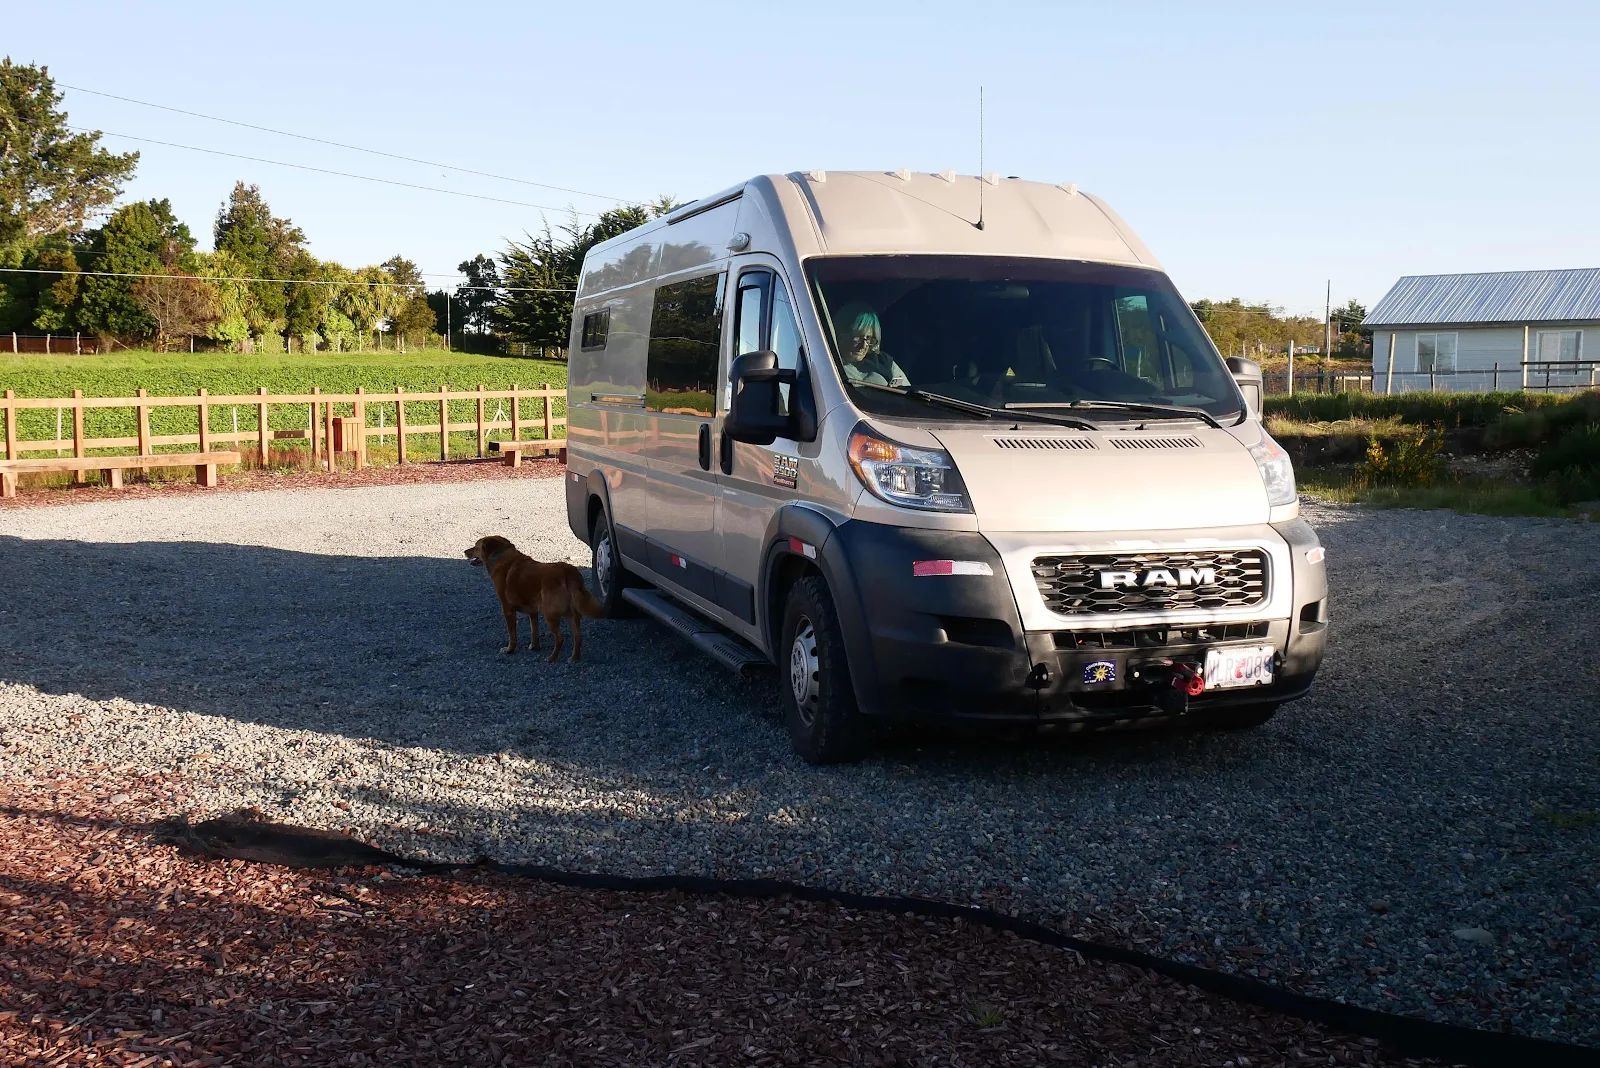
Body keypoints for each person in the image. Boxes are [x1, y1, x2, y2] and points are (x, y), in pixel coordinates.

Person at [834, 303, 909, 387]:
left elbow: (908, 390)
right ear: (841, 334)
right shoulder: (830, 365)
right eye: (858, 338)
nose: (863, 346)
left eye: (868, 338)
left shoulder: (883, 361)